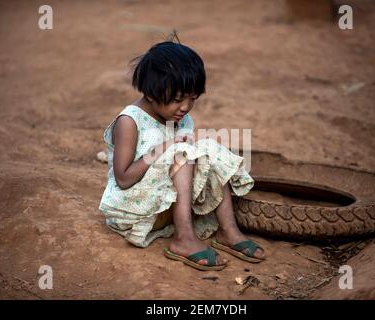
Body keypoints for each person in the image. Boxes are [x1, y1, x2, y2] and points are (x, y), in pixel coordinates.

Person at [99, 37, 265, 271]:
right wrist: (165, 147)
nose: (185, 107)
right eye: (178, 100)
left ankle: (229, 231)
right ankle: (184, 238)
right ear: (151, 93)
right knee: (182, 153)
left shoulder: (180, 118)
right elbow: (123, 179)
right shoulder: (130, 122)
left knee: (207, 150)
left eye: (192, 99)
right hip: (134, 213)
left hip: (165, 205)